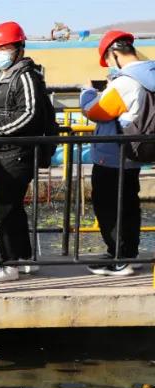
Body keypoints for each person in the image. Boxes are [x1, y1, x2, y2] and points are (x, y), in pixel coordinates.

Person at [79, 29, 154, 276]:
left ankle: (119, 259)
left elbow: (95, 111)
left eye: (108, 60)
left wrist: (87, 92)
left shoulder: (125, 83)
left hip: (113, 155)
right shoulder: (149, 75)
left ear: (114, 54)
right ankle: (128, 254)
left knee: (109, 207)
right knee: (129, 205)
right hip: (135, 153)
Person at [0, 21, 46, 283]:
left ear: (19, 49)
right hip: (2, 153)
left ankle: (8, 264)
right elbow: (5, 111)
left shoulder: (24, 76)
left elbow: (29, 114)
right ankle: (23, 258)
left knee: (3, 209)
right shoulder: (7, 76)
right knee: (12, 208)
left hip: (13, 154)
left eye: (4, 48)